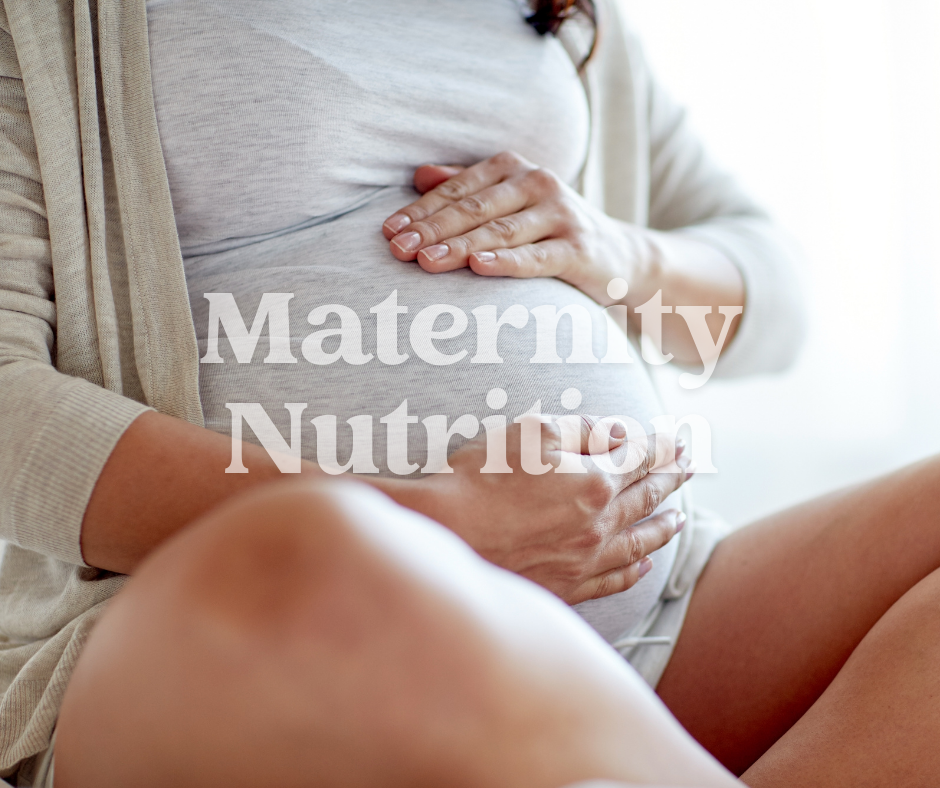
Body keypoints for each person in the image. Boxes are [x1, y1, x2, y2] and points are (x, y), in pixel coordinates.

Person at [1, 0, 938, 786]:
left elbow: (776, 299)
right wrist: (429, 523)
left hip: (653, 619)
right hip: (253, 637)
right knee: (313, 546)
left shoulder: (562, 15)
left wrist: (621, 252)